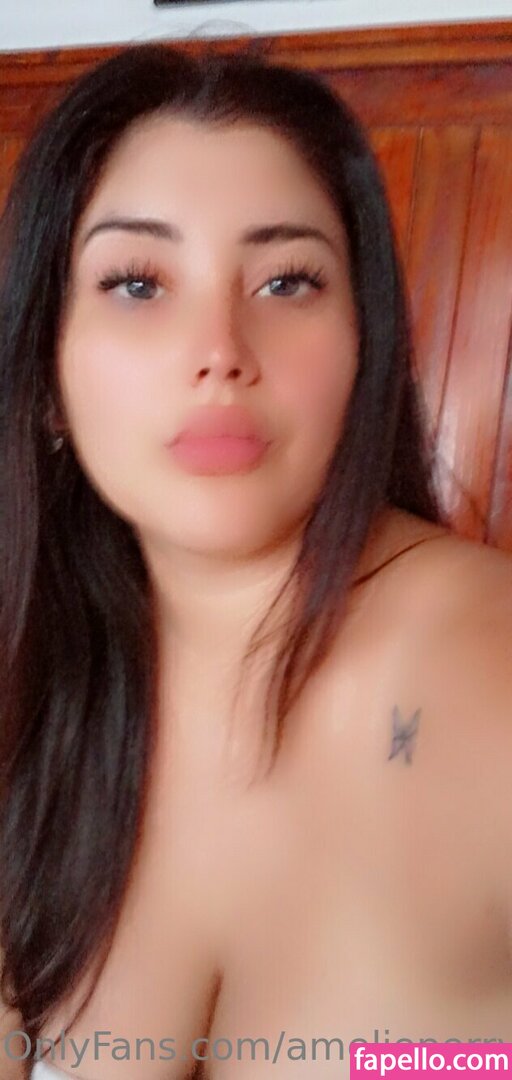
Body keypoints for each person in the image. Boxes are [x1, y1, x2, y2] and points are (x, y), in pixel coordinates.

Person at [0, 40, 511, 1080]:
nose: (219, 349)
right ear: (46, 375)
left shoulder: (478, 673)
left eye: (285, 280)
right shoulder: (40, 673)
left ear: (363, 348)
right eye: (137, 282)